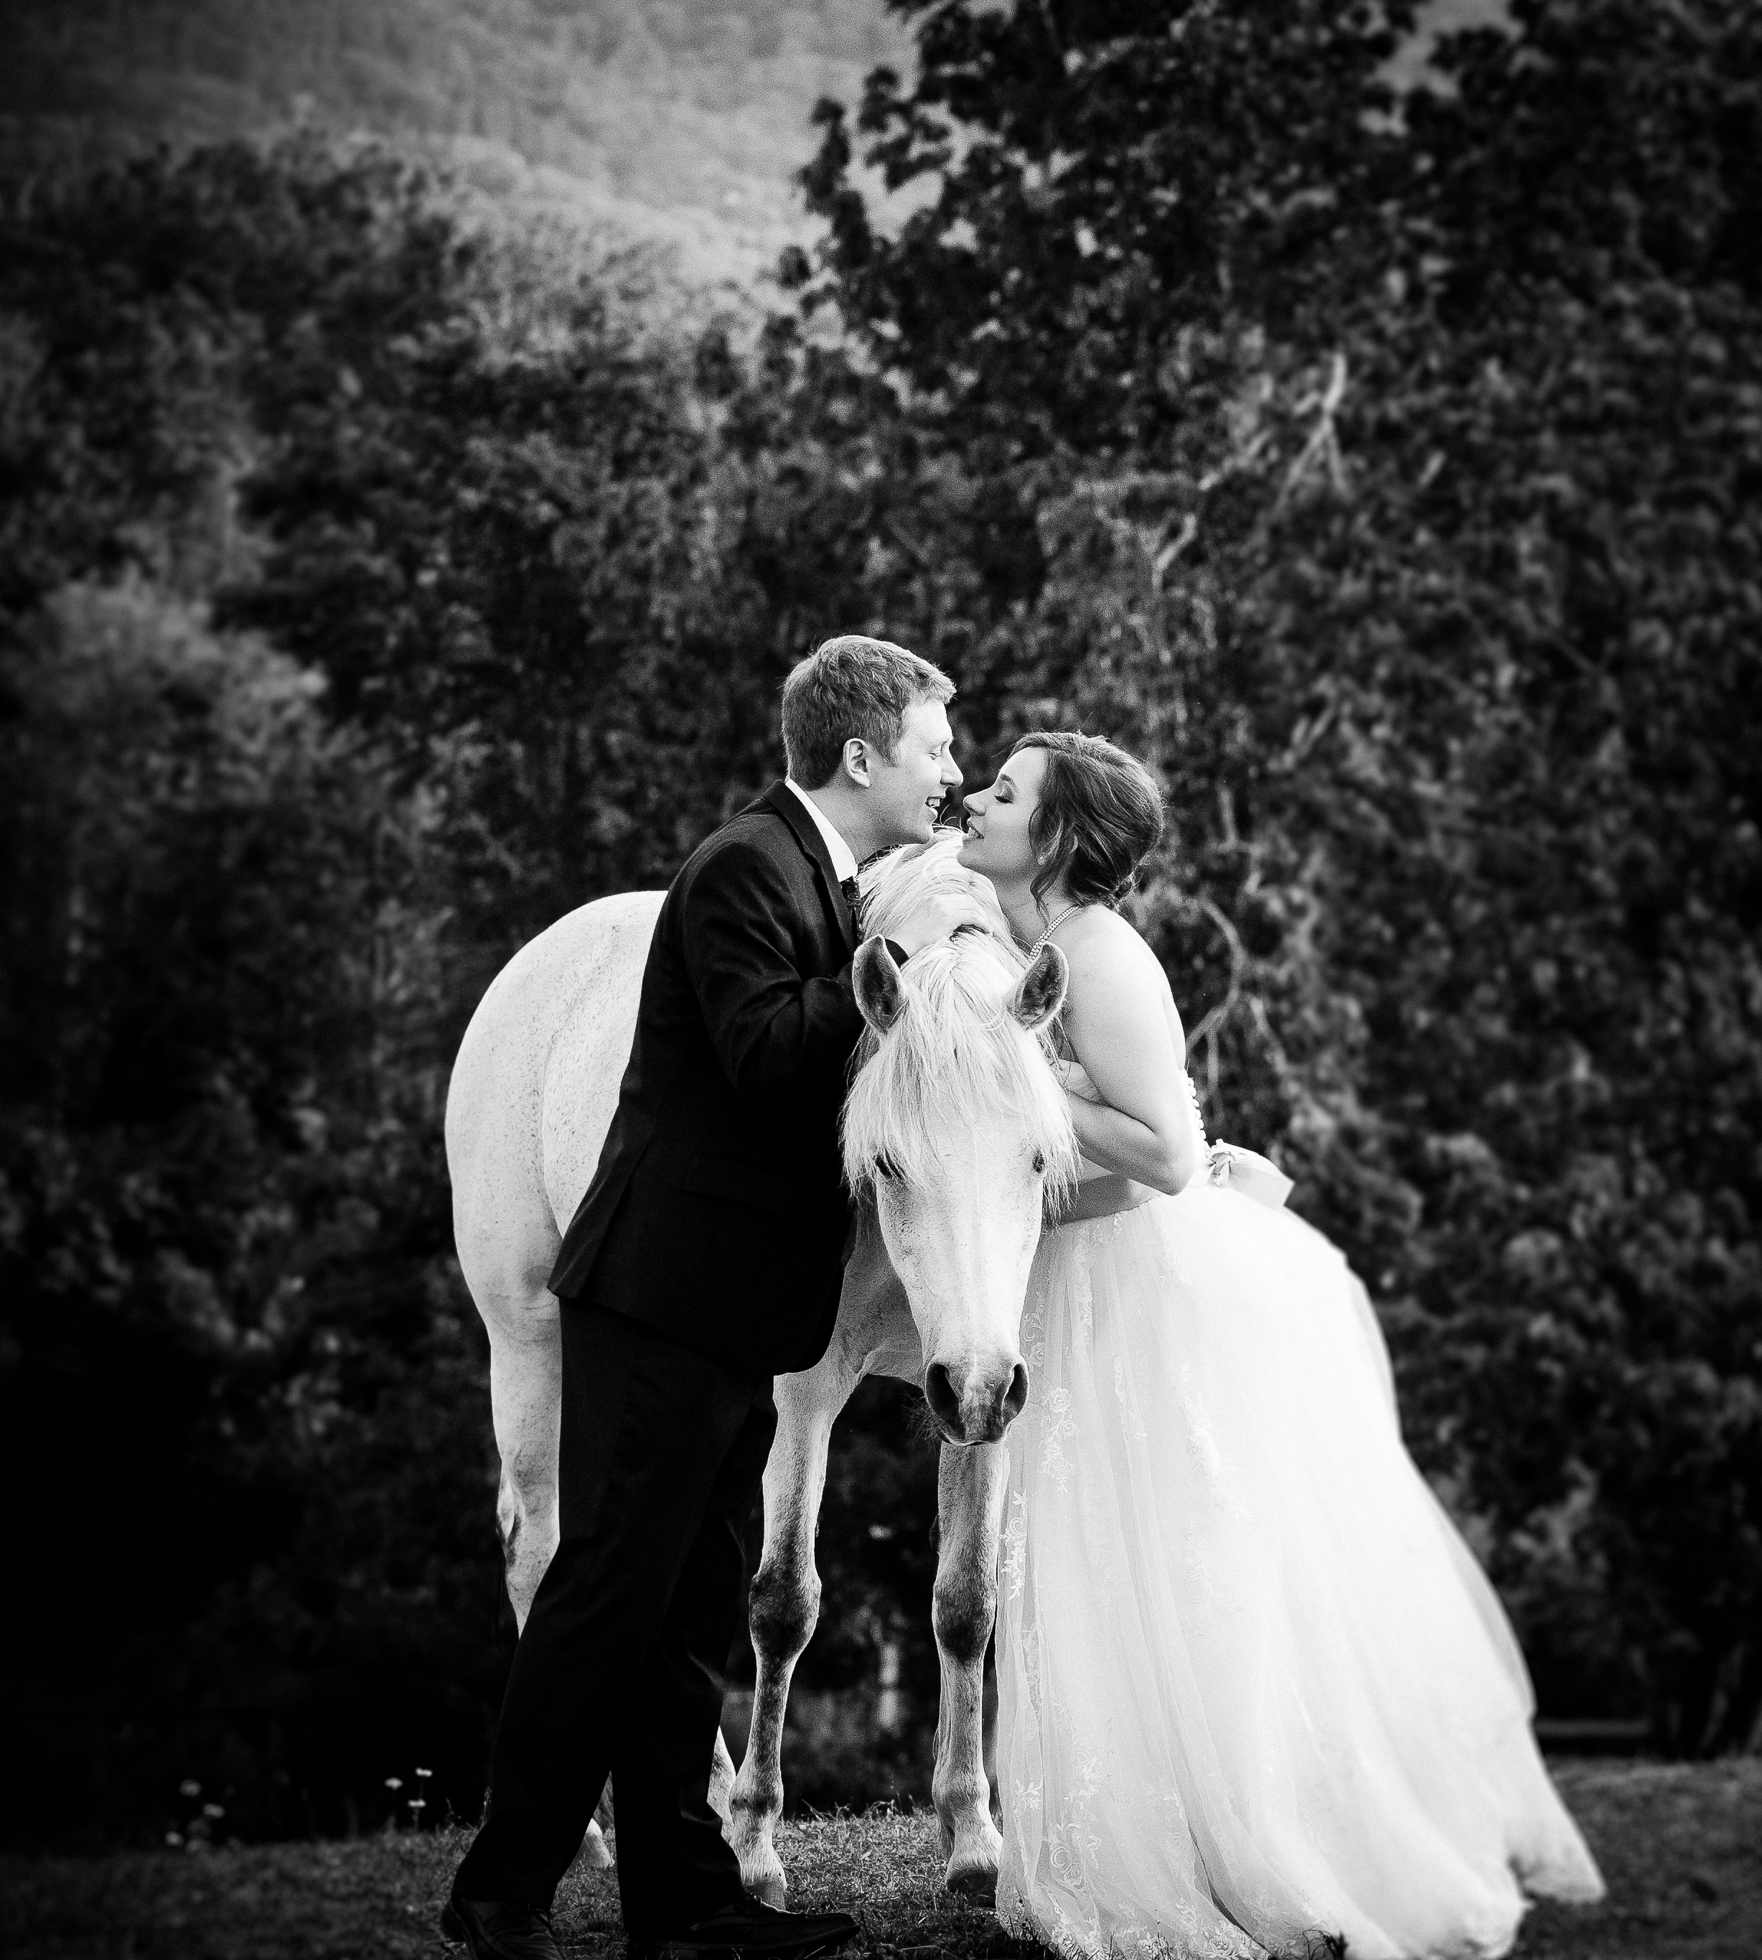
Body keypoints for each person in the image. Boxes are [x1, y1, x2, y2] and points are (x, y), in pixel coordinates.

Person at [958, 732, 1606, 1960]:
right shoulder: (1031, 949)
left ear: (1057, 837)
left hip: (1150, 1286)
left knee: (1184, 1554)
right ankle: (1152, 1825)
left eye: (1006, 793)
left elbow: (1157, 1151)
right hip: (1087, 1271)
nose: (978, 802)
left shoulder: (1099, 955)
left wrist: (1020, 1074)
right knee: (1103, 1553)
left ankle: (1249, 1840)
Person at [442, 636, 962, 1960]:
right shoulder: (747, 866)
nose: (948, 771)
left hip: (740, 1313)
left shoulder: (825, 879)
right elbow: (755, 1051)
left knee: (686, 1616)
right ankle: (502, 1888)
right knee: (608, 1597)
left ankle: (683, 1905)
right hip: (664, 1294)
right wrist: (894, 1000)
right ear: (859, 756)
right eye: (931, 746)